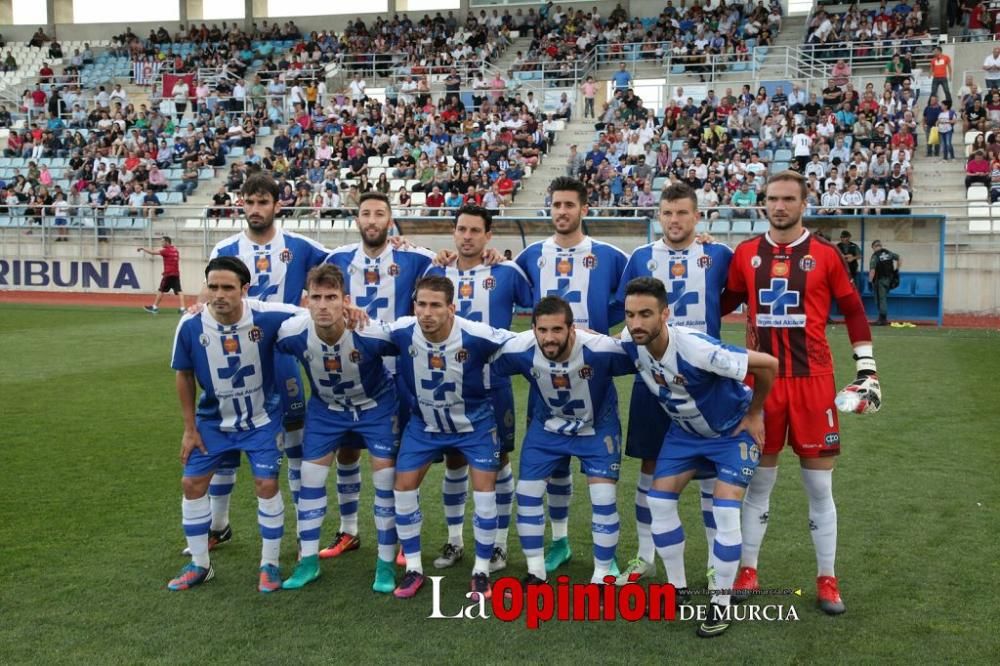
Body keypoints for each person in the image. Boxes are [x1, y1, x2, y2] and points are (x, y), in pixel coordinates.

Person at [726, 170, 883, 615]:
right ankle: (748, 569)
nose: (779, 206)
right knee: (759, 482)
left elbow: (853, 309)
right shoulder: (745, 254)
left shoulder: (826, 255)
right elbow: (721, 301)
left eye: (788, 199)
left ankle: (827, 579)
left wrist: (867, 366)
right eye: (773, 199)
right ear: (764, 203)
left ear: (803, 203)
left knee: (818, 486)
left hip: (814, 383)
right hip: (762, 382)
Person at [619, 276, 778, 637]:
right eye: (630, 315)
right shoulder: (630, 341)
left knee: (724, 509)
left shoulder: (697, 350)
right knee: (658, 503)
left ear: (665, 314)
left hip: (730, 432)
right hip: (685, 435)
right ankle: (677, 589)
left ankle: (719, 604)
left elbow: (768, 363)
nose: (636, 323)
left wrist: (754, 414)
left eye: (646, 314)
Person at [199, 173, 335, 558]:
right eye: (249, 202)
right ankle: (218, 525)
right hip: (233, 356)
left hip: (283, 356)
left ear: (278, 205)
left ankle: (299, 529)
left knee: (294, 443)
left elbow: (345, 266)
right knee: (225, 440)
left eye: (263, 202)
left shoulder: (301, 246)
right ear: (241, 204)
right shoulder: (226, 247)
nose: (255, 210)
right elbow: (210, 290)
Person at [357, 276, 516, 600]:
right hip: (425, 425)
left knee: (485, 492)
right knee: (402, 487)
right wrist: (349, 313)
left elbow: (523, 341)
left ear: (451, 308)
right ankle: (414, 568)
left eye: (435, 305)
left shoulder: (476, 334)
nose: (426, 312)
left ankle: (481, 571)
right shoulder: (403, 330)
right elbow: (367, 330)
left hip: (474, 425)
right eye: (421, 304)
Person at [612, 183, 734, 586]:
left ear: (697, 216)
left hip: (705, 383)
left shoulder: (718, 255)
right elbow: (625, 311)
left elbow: (730, 300)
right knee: (649, 466)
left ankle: (718, 562)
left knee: (712, 470)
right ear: (658, 216)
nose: (674, 220)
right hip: (653, 380)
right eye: (667, 213)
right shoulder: (641, 258)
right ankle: (646, 555)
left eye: (682, 213)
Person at [514, 177, 628, 575]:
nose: (561, 211)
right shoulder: (530, 256)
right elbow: (510, 293)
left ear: (584, 208)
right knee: (554, 467)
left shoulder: (612, 256)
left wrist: (594, 336)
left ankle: (604, 557)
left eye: (569, 205)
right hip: (543, 379)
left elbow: (625, 307)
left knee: (598, 470)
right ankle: (559, 541)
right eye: (556, 204)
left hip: (591, 374)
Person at [167, 256, 301, 592]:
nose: (219, 294)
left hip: (261, 421)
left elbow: (314, 314)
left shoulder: (268, 316)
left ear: (245, 289)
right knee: (191, 484)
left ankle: (269, 564)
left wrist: (351, 311)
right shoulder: (190, 324)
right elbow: (183, 375)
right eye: (213, 287)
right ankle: (200, 564)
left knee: (266, 485)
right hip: (213, 421)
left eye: (228, 287)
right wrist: (189, 427)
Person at [490, 296, 636, 589]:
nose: (549, 337)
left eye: (557, 329)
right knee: (527, 494)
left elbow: (646, 354)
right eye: (542, 330)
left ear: (572, 329)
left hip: (596, 428)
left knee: (603, 499)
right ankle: (535, 572)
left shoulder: (601, 349)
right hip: (548, 429)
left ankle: (602, 573)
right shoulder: (519, 349)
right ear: (532, 328)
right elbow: (482, 356)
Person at [322, 192, 436, 561]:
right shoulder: (337, 260)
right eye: (365, 213)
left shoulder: (415, 258)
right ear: (357, 220)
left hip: (400, 374)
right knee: (347, 451)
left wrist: (489, 255)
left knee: (401, 459)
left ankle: (404, 537)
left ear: (391, 220)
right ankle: (349, 530)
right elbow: (316, 296)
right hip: (350, 372)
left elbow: (454, 267)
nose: (372, 220)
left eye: (379, 214)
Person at [275, 264, 400, 593]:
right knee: (309, 478)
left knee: (386, 480)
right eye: (316, 297)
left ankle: (386, 564)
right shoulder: (291, 332)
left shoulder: (370, 331)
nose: (323, 305)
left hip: (375, 408)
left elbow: (410, 345)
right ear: (307, 301)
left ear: (346, 300)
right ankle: (308, 562)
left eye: (332, 297)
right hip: (327, 410)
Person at [423, 205, 533, 572]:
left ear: (488, 235)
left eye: (475, 230)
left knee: (498, 462)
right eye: (461, 229)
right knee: (454, 460)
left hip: (492, 385)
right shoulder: (436, 269)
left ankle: (499, 544)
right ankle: (454, 541)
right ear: (453, 233)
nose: (467, 236)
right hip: (444, 384)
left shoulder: (506, 271)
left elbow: (540, 308)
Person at [139, 236, 186, 313]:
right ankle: (183, 308)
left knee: (161, 290)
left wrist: (143, 248)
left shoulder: (166, 251)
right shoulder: (175, 250)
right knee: (179, 291)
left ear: (167, 242)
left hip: (168, 274)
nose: (161, 243)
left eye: (162, 241)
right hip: (176, 274)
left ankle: (154, 307)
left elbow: (152, 252)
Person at [869, 240, 900, 326]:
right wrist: (897, 270)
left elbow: (872, 270)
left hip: (880, 281)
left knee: (880, 299)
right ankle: (882, 318)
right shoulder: (888, 253)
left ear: (874, 247)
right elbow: (899, 258)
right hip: (889, 280)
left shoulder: (875, 256)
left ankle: (882, 319)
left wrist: (870, 281)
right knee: (883, 298)